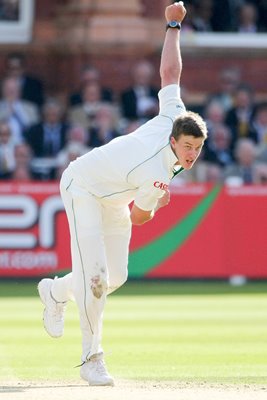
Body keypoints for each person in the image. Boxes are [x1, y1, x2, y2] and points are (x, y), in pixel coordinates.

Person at [38, 2, 207, 387]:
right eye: (185, 148)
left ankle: (55, 291)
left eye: (196, 149)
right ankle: (90, 357)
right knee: (95, 278)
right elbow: (139, 218)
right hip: (82, 185)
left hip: (114, 197)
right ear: (172, 139)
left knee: (114, 276)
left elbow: (170, 73)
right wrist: (158, 204)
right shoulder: (157, 174)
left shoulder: (174, 114)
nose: (191, 155)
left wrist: (173, 25)